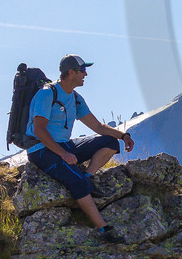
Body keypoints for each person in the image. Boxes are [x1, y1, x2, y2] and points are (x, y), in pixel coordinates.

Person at [27, 54, 135, 244]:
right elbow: (39, 130)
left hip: (64, 145)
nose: (85, 75)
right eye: (82, 71)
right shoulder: (47, 94)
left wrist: (123, 136)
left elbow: (98, 127)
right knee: (76, 181)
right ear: (71, 73)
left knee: (110, 142)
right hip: (41, 149)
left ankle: (87, 176)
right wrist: (63, 153)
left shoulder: (75, 98)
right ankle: (104, 228)